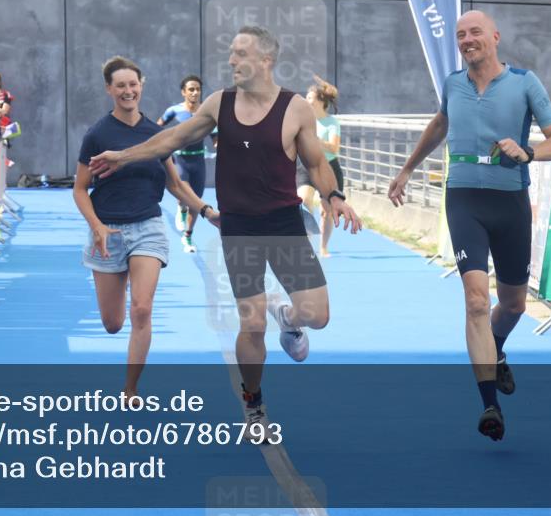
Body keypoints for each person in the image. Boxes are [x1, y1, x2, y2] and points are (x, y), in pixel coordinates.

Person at [89, 26, 362, 434]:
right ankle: (254, 405)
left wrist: (334, 196)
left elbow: (317, 163)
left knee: (317, 315)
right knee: (252, 325)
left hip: (284, 224)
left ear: (266, 60)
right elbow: (171, 138)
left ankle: (287, 317)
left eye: (240, 54)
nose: (231, 60)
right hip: (239, 229)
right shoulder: (220, 103)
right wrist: (124, 156)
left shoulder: (295, 109)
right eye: (231, 53)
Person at [387, 10, 551, 441]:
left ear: (495, 37)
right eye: (460, 35)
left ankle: (496, 350)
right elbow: (440, 123)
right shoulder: (453, 84)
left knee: (514, 305)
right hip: (464, 198)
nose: (467, 40)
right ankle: (490, 405)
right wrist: (407, 169)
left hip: (510, 202)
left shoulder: (525, 82)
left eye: (475, 33)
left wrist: (527, 152)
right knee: (475, 299)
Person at [75, 56, 219, 402]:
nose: (128, 91)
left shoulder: (156, 134)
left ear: (141, 86)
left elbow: (175, 184)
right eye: (120, 85)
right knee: (113, 324)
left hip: (148, 227)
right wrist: (97, 226)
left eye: (133, 84)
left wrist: (206, 210)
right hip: (108, 231)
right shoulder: (97, 135)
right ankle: (119, 279)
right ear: (109, 89)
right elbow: (80, 189)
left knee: (141, 309)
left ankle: (130, 388)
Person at [157, 75, 207, 253]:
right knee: (185, 194)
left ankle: (188, 236)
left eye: (197, 89)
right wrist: (162, 145)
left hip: (198, 161)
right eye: (191, 89)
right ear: (183, 92)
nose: (195, 92)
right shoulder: (174, 110)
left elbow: (216, 137)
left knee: (196, 202)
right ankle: (181, 206)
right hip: (180, 161)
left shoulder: (206, 111)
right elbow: (157, 127)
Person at [296, 75, 342, 258]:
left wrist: (315, 140)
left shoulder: (332, 123)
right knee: (303, 201)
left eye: (309, 97)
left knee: (327, 211)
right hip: (307, 165)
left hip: (328, 168)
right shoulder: (303, 120)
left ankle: (323, 247)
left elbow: (334, 148)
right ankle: (307, 242)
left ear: (321, 101)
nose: (306, 100)